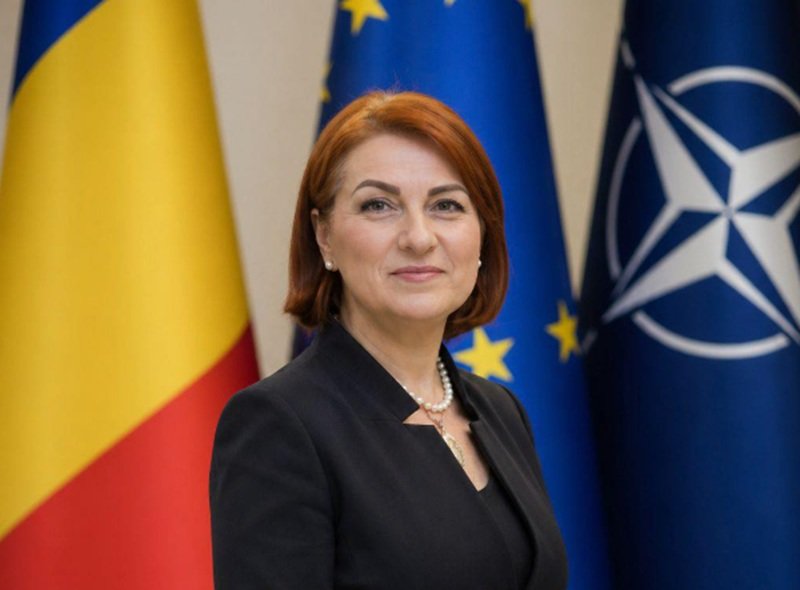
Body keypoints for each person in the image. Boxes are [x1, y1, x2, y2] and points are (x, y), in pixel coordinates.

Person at [209, 91, 568, 589]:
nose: (419, 237)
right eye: (379, 205)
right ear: (324, 236)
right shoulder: (280, 425)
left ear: (482, 235)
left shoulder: (501, 410)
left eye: (446, 205)